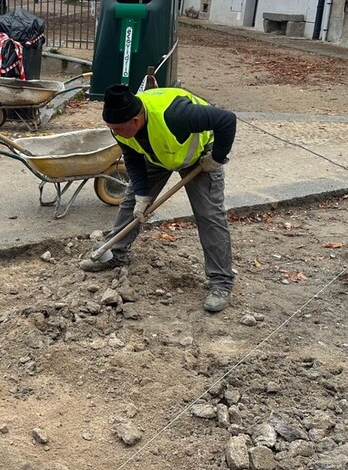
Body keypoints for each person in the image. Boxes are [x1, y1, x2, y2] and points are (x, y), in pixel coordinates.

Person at [81, 84, 237, 314]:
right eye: (111, 128)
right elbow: (132, 158)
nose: (115, 133)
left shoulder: (176, 115)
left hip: (199, 157)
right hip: (157, 156)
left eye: (118, 129)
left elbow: (227, 119)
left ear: (135, 121)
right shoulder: (121, 127)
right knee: (132, 202)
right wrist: (143, 196)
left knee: (209, 215)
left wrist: (217, 157)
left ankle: (221, 282)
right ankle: (116, 253)